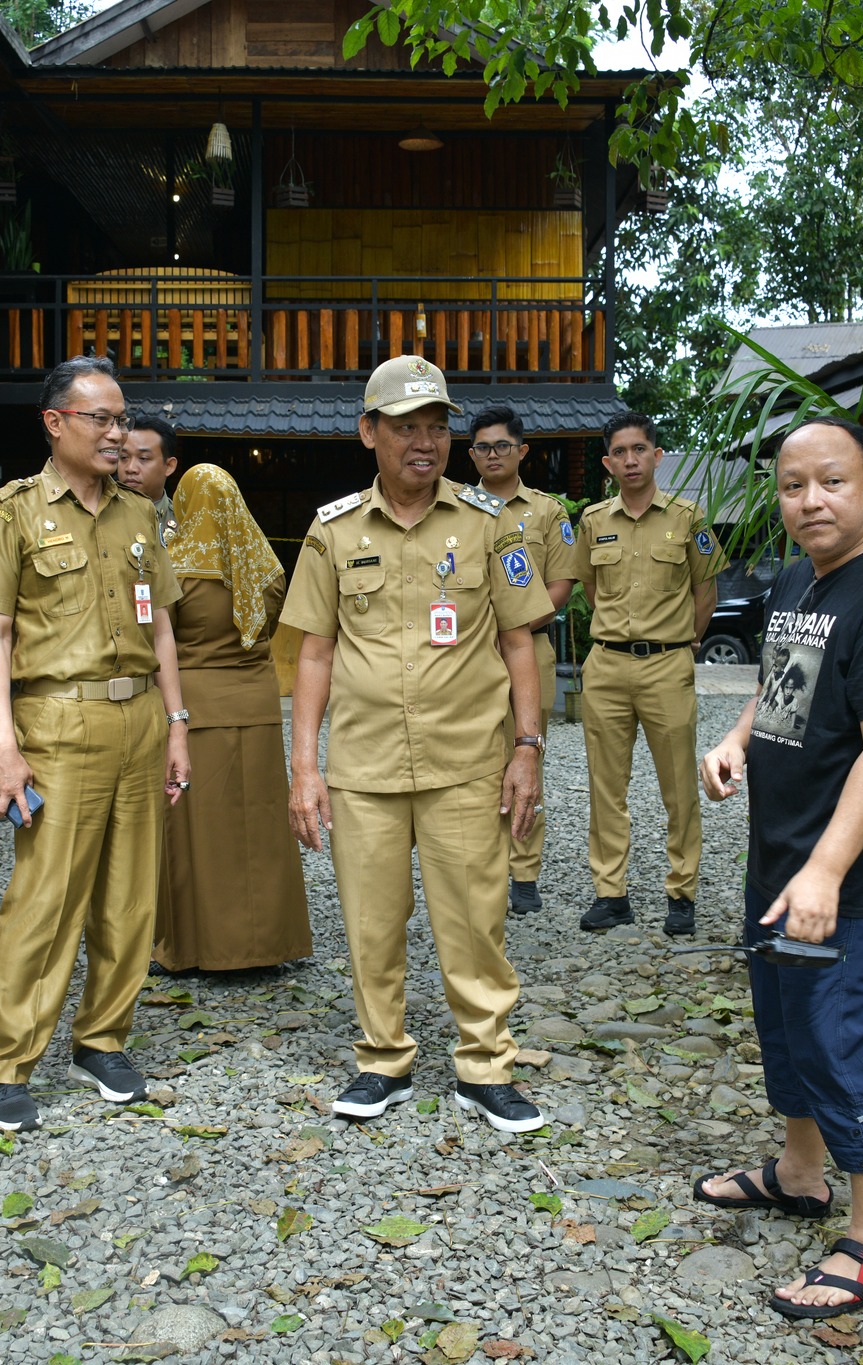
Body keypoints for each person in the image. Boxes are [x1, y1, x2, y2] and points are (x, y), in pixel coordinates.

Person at [692, 415, 863, 1318]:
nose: (811, 500)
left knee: (843, 1037)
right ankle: (802, 1172)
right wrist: (734, 740)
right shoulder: (801, 577)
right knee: (788, 1023)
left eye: (832, 481)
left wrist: (827, 873)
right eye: (795, 485)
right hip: (780, 861)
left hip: (844, 884)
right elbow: (780, 682)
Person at [283, 356, 555, 1134]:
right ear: (370, 432)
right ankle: (382, 1060)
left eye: (437, 427)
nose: (425, 442)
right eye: (407, 427)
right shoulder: (332, 529)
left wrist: (527, 748)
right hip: (363, 766)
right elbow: (313, 652)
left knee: (474, 919)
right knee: (371, 921)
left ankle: (485, 1065)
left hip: (467, 759)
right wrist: (304, 765)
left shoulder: (487, 522)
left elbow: (518, 641)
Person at [0, 355, 193, 1132]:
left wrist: (178, 724)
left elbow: (161, 623)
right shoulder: (11, 511)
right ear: (56, 423)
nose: (118, 434)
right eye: (101, 418)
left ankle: (103, 1038)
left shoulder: (137, 513)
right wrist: (3, 742)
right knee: (47, 897)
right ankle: (8, 1060)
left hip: (139, 722)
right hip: (57, 723)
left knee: (132, 895)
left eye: (122, 419)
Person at [572, 413, 727, 937]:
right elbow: (591, 589)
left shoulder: (689, 518)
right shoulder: (593, 521)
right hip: (608, 664)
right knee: (605, 785)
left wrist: (685, 640)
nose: (631, 459)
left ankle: (681, 894)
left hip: (667, 664)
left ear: (657, 455)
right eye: (621, 451)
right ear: (608, 462)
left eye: (640, 449)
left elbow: (705, 591)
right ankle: (610, 894)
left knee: (679, 786)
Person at [154, 464, 311, 971]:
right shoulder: (262, 564)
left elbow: (157, 642)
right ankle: (269, 945)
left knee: (202, 831)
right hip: (258, 706)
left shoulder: (175, 565)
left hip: (195, 708)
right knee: (262, 827)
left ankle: (199, 947)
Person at [465, 403, 576, 916]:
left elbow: (560, 587)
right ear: (471, 454)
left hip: (530, 648)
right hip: (467, 657)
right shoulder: (457, 508)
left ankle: (524, 875)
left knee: (527, 759)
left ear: (521, 451)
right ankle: (481, 867)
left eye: (502, 446)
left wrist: (508, 627)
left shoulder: (548, 512)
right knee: (474, 762)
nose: (492, 454)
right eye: (483, 447)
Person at [118, 415, 180, 542]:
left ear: (169, 466)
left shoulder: (182, 524)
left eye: (144, 458)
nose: (130, 468)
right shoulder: (100, 514)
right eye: (123, 457)